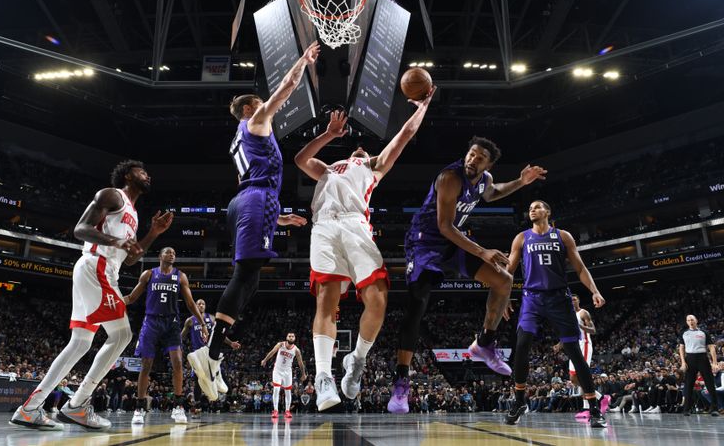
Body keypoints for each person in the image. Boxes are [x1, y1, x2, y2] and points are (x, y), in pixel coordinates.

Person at [187, 42, 319, 401]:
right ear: (249, 107)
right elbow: (286, 89)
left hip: (250, 202)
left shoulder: (240, 138)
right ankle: (210, 355)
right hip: (256, 200)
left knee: (254, 279)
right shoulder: (256, 121)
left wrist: (279, 217)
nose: (266, 105)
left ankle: (213, 354)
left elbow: (253, 182)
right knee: (245, 275)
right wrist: (303, 62)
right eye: (259, 102)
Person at [294, 92, 433, 411]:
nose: (359, 148)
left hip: (356, 224)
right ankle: (323, 379)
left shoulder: (374, 166)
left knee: (378, 297)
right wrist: (328, 135)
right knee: (326, 299)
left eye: (362, 149)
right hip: (325, 225)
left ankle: (355, 361)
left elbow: (405, 135)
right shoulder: (328, 169)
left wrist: (423, 108)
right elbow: (301, 159)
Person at [387, 137, 546, 413]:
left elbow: (493, 192)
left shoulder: (484, 179)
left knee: (504, 280)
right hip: (425, 241)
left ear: (488, 164)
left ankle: (484, 344)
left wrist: (521, 181)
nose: (473, 160)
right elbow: (445, 226)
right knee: (418, 303)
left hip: (453, 242)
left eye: (480, 158)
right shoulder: (450, 177)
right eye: (471, 154)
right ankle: (401, 380)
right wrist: (483, 251)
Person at [10, 160, 172, 431]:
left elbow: (131, 259)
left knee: (81, 343)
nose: (148, 175)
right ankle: (78, 405)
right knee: (122, 335)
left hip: (105, 269)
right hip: (97, 265)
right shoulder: (111, 195)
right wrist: (115, 241)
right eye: (143, 171)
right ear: (128, 175)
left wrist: (152, 234)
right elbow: (80, 230)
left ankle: (29, 408)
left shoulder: (133, 213)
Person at [502, 200, 607, 428]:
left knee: (574, 353)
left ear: (548, 212)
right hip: (532, 298)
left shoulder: (563, 236)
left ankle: (594, 408)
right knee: (521, 345)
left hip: (559, 298)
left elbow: (579, 267)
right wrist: (503, 298)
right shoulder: (521, 238)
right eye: (529, 207)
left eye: (537, 207)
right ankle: (519, 400)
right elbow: (508, 271)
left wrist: (595, 290)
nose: (532, 209)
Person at [123, 246, 208, 425]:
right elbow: (131, 297)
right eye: (168, 252)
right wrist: (116, 302)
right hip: (151, 321)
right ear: (160, 256)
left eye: (174, 253)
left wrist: (202, 324)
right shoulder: (148, 274)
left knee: (177, 362)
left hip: (172, 322)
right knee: (146, 365)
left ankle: (178, 406)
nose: (172, 255)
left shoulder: (180, 276)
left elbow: (191, 303)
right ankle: (139, 407)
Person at [181, 299, 241, 414]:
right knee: (198, 380)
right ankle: (197, 405)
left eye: (203, 303)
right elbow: (182, 336)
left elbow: (220, 334)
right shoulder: (190, 321)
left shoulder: (212, 318)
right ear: (195, 306)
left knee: (221, 375)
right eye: (198, 304)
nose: (201, 305)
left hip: (211, 352)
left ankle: (225, 401)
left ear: (205, 306)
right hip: (198, 354)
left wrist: (231, 343)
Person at [563, 294, 609, 419]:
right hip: (574, 346)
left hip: (585, 344)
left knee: (582, 375)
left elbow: (593, 330)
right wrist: (559, 344)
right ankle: (601, 397)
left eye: (574, 299)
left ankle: (587, 408)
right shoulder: (568, 315)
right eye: (570, 299)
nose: (572, 301)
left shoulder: (583, 313)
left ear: (578, 300)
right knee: (573, 379)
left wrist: (580, 326)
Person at [679, 314, 719, 416]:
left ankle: (714, 408)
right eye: (688, 320)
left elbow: (711, 347)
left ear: (696, 320)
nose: (690, 322)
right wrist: (683, 362)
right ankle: (686, 409)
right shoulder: (684, 333)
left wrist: (714, 362)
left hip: (702, 358)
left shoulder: (703, 332)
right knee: (689, 385)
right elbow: (681, 348)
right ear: (687, 322)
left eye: (692, 319)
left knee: (709, 383)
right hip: (690, 359)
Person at [260, 332, 307, 419]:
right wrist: (265, 360)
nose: (291, 337)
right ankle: (275, 410)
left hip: (287, 372)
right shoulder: (280, 344)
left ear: (295, 338)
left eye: (293, 336)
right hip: (277, 371)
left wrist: (303, 373)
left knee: (288, 392)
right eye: (289, 336)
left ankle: (287, 411)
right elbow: (272, 352)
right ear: (286, 337)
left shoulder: (296, 350)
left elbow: (300, 363)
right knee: (276, 390)